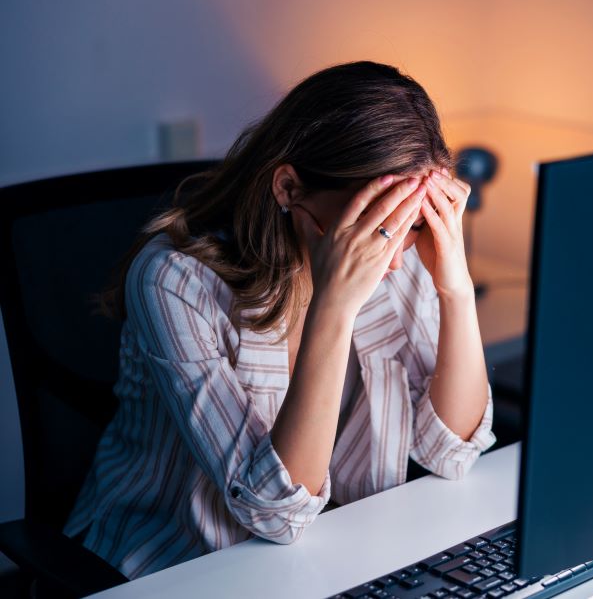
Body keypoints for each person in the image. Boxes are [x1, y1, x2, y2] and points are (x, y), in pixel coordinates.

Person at [63, 61, 495, 579]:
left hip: (325, 557)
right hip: (177, 563)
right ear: (289, 188)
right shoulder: (173, 280)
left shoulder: (401, 256)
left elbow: (451, 451)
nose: (395, 258)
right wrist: (333, 307)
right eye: (374, 225)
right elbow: (274, 512)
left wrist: (455, 287)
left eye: (410, 222)